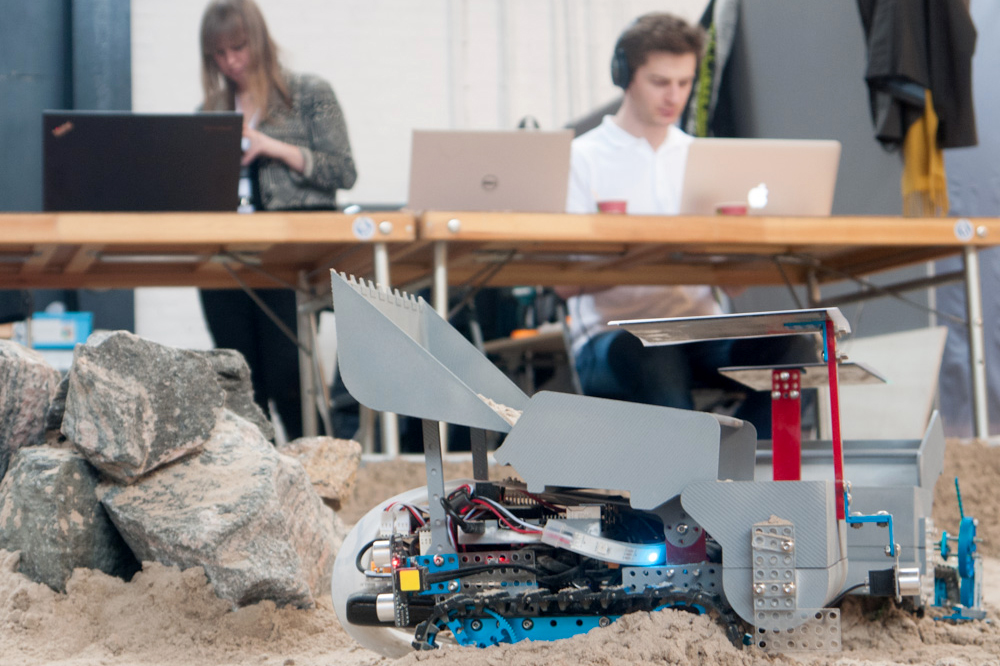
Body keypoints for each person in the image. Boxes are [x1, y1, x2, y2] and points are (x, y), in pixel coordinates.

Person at [562, 12, 815, 438]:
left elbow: (732, 286)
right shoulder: (582, 158)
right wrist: (652, 257)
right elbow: (563, 284)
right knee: (654, 354)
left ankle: (741, 474)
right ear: (624, 75)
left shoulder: (704, 157)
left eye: (684, 83)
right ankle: (694, 484)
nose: (674, 96)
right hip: (616, 337)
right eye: (660, 82)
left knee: (797, 350)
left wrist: (740, 255)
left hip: (701, 330)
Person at [198, 0, 357, 441]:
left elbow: (342, 171)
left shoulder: (307, 95)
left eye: (238, 48)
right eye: (219, 54)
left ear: (259, 42)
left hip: (288, 255)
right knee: (238, 382)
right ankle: (259, 479)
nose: (231, 62)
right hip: (227, 256)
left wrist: (271, 146)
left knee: (288, 375)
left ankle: (319, 473)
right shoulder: (208, 113)